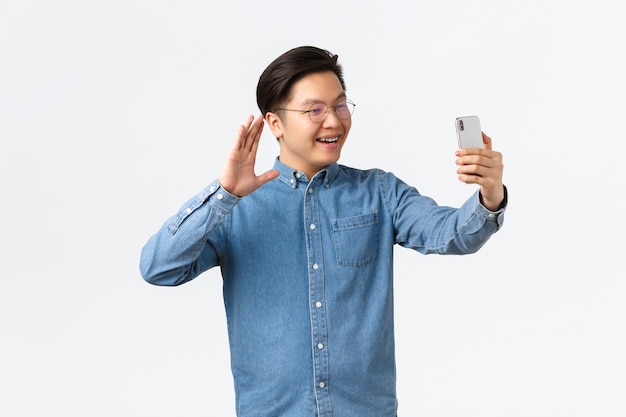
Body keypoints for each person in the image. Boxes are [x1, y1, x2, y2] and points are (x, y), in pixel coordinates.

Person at [139, 45, 507, 417]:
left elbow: (452, 233)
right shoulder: (236, 208)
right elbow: (159, 268)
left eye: (340, 106)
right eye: (314, 110)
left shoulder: (379, 192)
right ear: (275, 123)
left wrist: (490, 196)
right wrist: (224, 195)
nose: (332, 121)